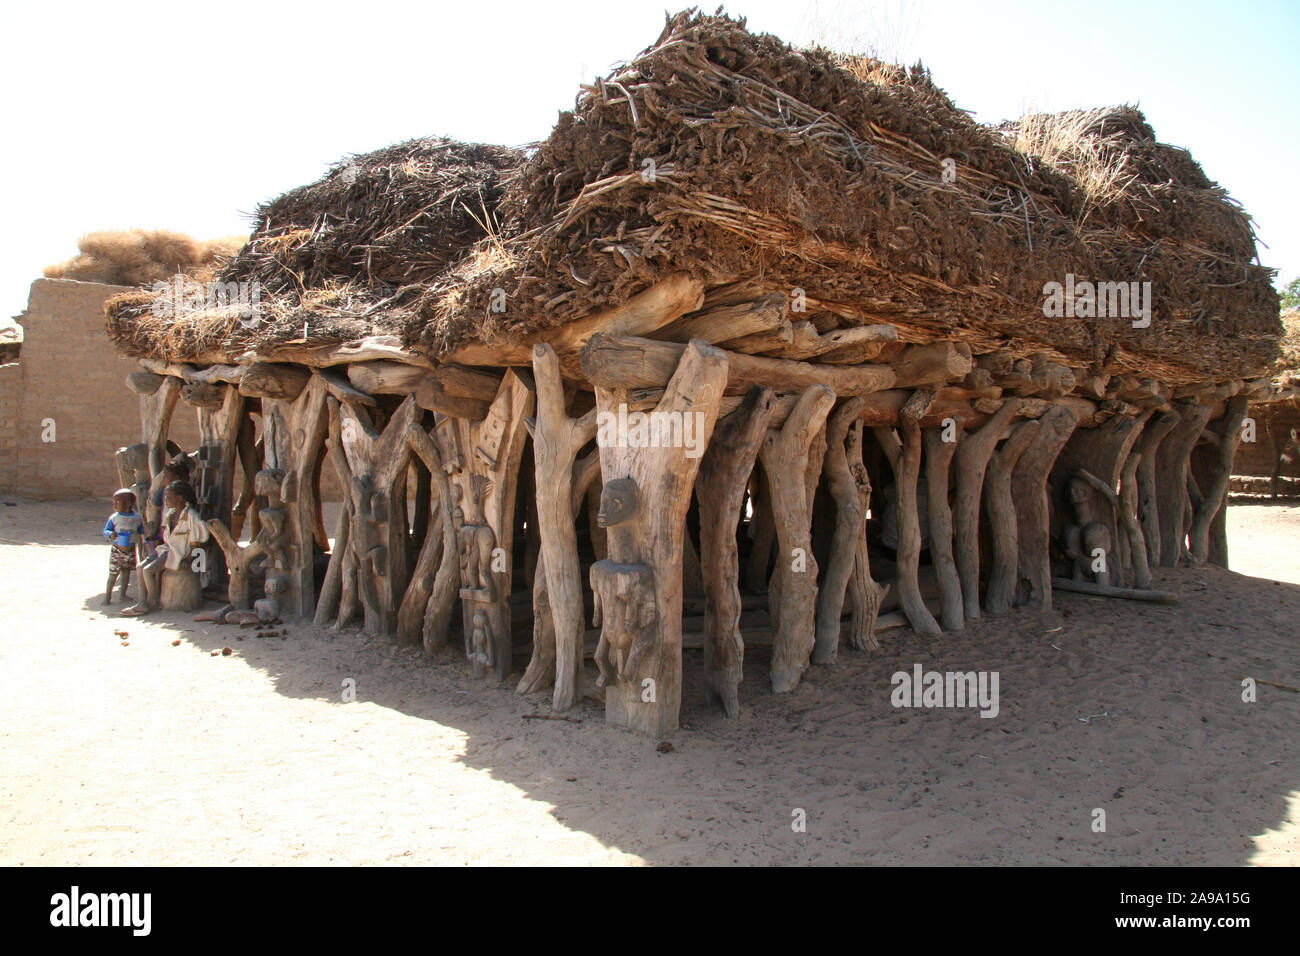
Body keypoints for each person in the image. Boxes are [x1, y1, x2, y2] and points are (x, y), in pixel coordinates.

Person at [122, 480, 210, 616]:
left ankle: (150, 601)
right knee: (140, 567)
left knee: (147, 570)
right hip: (166, 550)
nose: (166, 500)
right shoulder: (171, 514)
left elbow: (199, 540)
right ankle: (142, 602)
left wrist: (192, 559)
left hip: (178, 554)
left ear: (180, 498)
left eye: (169, 497)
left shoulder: (191, 516)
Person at [102, 488, 144, 605]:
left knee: (126, 573)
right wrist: (111, 534)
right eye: (114, 502)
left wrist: (145, 532)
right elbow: (106, 530)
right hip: (117, 550)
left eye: (117, 502)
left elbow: (141, 530)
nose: (114, 505)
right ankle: (107, 597)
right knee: (113, 574)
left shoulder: (137, 518)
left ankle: (123, 594)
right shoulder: (114, 518)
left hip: (130, 550)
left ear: (129, 503)